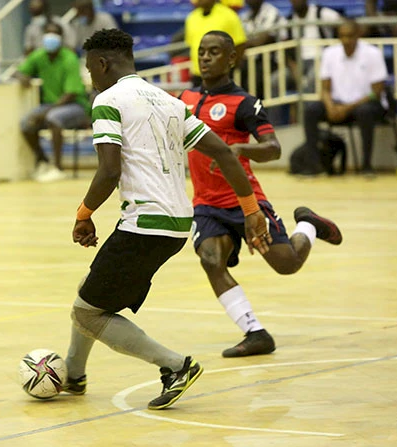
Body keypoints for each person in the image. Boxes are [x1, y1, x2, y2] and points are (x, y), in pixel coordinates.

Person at [63, 29, 272, 410]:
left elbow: (109, 170)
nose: (91, 78)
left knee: (86, 312)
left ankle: (175, 366)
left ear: (102, 64)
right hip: (177, 224)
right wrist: (252, 210)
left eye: (91, 69)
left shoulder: (108, 100)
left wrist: (84, 214)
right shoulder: (169, 101)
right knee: (90, 290)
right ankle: (73, 375)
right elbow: (226, 154)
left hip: (144, 224)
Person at [180, 31, 342, 357]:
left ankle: (308, 225)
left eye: (214, 52)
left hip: (245, 202)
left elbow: (274, 148)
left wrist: (239, 148)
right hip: (206, 204)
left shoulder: (244, 103)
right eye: (202, 52)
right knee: (211, 259)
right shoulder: (184, 99)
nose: (206, 57)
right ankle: (255, 332)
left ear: (231, 59)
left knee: (287, 264)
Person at [302, 19, 388, 176]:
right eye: (342, 36)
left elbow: (375, 92)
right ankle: (313, 165)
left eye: (349, 36)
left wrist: (347, 108)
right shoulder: (329, 53)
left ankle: (366, 166)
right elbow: (325, 89)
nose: (346, 40)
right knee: (311, 110)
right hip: (338, 104)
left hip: (366, 103)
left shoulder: (373, 53)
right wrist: (330, 107)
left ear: (358, 35)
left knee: (365, 112)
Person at [14, 22, 90, 182]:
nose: (50, 38)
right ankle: (43, 161)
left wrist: (45, 113)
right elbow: (19, 71)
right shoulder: (39, 55)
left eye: (54, 35)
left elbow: (71, 93)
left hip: (75, 105)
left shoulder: (69, 58)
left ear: (61, 38)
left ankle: (58, 168)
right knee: (26, 124)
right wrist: (23, 77)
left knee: (53, 118)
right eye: (47, 34)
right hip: (50, 105)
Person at [280, 0, 342, 94]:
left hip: (321, 59)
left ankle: (306, 109)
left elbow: (345, 25)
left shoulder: (320, 13)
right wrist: (292, 66)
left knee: (312, 78)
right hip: (299, 62)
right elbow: (285, 49)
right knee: (275, 81)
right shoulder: (288, 21)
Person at [184, 0, 247, 87]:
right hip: (198, 75)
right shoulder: (192, 17)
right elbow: (191, 44)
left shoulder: (229, 15)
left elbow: (239, 44)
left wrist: (230, 69)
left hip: (221, 75)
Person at [240, 0, 287, 99]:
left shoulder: (271, 12)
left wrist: (245, 44)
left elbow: (262, 40)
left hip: (272, 61)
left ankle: (253, 111)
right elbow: (240, 42)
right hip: (251, 61)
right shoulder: (244, 17)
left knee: (253, 79)